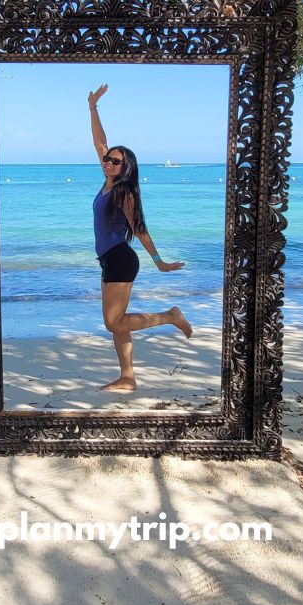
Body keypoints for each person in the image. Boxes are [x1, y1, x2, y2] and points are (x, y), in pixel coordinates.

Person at [88, 83, 193, 392]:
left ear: (126, 167)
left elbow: (140, 229)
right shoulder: (107, 181)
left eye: (115, 161)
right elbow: (99, 142)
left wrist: (159, 261)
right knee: (116, 323)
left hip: (121, 259)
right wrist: (92, 107)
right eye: (107, 159)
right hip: (108, 260)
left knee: (112, 323)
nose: (108, 161)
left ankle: (170, 316)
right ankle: (127, 377)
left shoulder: (123, 191)